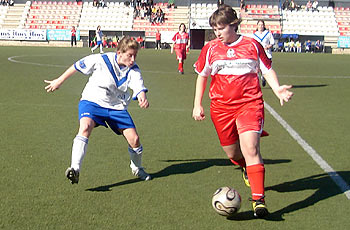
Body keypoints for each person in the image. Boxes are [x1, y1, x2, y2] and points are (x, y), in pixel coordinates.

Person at [192, 5, 293, 218]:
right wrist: (197, 104)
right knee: (233, 153)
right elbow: (202, 75)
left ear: (234, 25)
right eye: (214, 29)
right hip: (221, 109)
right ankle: (246, 167)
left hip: (250, 104)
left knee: (251, 148)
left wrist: (277, 89)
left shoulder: (252, 44)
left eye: (221, 28)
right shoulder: (210, 48)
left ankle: (259, 200)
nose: (217, 33)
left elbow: (266, 69)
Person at [44, 36, 151, 184]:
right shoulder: (102, 59)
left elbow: (139, 85)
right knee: (85, 127)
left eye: (135, 56)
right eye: (129, 55)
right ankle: (75, 169)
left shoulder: (133, 69)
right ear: (119, 52)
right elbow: (77, 65)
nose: (133, 59)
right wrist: (59, 80)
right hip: (92, 101)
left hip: (116, 107)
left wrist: (142, 96)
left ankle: (137, 167)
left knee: (135, 139)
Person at [253, 20, 275, 87]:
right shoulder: (254, 35)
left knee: (267, 67)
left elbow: (272, 42)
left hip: (267, 53)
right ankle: (256, 83)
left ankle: (264, 77)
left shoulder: (268, 33)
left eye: (262, 25)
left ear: (264, 26)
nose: (260, 26)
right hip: (258, 53)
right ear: (257, 26)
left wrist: (268, 46)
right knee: (257, 68)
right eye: (259, 25)